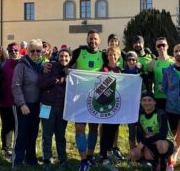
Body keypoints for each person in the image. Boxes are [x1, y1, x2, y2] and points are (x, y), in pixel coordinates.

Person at [68, 29, 107, 171]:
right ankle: (83, 160)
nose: (93, 41)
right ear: (87, 39)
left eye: (95, 39)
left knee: (93, 128)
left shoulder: (103, 55)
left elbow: (116, 66)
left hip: (96, 98)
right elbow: (65, 64)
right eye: (91, 38)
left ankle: (90, 156)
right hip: (79, 97)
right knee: (79, 128)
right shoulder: (79, 52)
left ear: (99, 41)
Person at [11, 39, 44, 167]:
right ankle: (17, 161)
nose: (35, 53)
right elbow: (16, 85)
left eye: (38, 50)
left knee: (33, 133)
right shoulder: (21, 65)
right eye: (32, 50)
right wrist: (22, 104)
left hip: (37, 104)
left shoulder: (43, 65)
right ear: (27, 51)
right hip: (23, 105)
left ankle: (31, 159)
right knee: (21, 133)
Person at [39, 48, 71, 169]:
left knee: (60, 134)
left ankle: (62, 158)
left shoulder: (72, 71)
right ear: (57, 57)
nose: (64, 58)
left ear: (70, 58)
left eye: (66, 56)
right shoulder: (50, 67)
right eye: (61, 56)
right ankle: (46, 158)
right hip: (46, 106)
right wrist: (57, 80)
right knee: (46, 134)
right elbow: (41, 84)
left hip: (63, 107)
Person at [130, 91, 175, 171]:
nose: (147, 102)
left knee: (160, 144)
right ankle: (153, 162)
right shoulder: (140, 115)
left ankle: (163, 161)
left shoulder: (161, 113)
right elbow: (139, 137)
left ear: (154, 102)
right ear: (141, 102)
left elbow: (162, 135)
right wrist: (146, 146)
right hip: (150, 142)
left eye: (149, 100)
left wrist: (144, 142)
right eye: (144, 100)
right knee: (133, 154)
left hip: (165, 143)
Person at [99, 46, 122, 169]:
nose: (113, 57)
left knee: (114, 129)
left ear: (118, 56)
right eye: (111, 55)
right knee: (106, 131)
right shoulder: (104, 69)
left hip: (116, 105)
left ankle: (108, 152)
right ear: (107, 56)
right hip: (106, 104)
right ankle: (103, 156)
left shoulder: (120, 70)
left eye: (115, 55)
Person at [0, 42, 21, 157]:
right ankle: (6, 148)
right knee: (6, 126)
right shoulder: (3, 64)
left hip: (19, 102)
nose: (13, 53)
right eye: (11, 51)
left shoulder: (24, 63)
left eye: (15, 50)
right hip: (5, 101)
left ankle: (18, 147)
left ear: (19, 51)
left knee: (18, 126)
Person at [122, 51, 144, 150]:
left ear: (136, 61)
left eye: (133, 60)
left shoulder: (140, 72)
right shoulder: (123, 72)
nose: (131, 62)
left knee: (140, 127)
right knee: (131, 128)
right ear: (126, 61)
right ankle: (132, 151)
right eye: (129, 60)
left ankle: (140, 151)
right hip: (129, 103)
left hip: (140, 103)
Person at [148, 37, 174, 110]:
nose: (161, 47)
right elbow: (149, 82)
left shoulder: (174, 61)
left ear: (167, 46)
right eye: (158, 46)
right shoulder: (152, 63)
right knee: (160, 119)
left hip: (172, 96)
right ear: (156, 48)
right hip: (158, 96)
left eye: (163, 45)